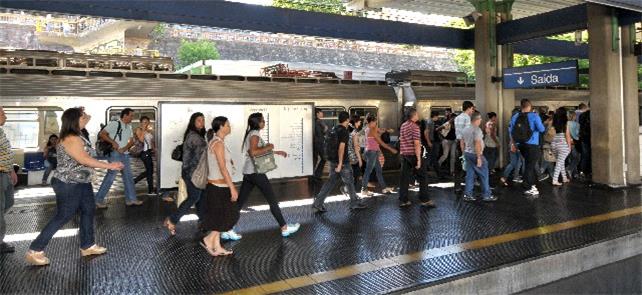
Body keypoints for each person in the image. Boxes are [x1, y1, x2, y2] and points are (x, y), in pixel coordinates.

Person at [25, 107, 124, 266]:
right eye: (83, 116)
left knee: (88, 210)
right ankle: (35, 250)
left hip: (81, 182)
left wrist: (81, 112)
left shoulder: (78, 134)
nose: (86, 117)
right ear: (76, 120)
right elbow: (84, 160)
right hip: (68, 183)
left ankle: (88, 245)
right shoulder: (71, 138)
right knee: (64, 215)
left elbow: (89, 117)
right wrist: (110, 166)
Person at [228, 112, 300, 239]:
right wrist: (269, 147)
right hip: (256, 173)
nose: (264, 123)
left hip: (249, 172)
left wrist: (276, 151)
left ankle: (227, 228)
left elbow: (257, 152)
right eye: (262, 121)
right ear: (257, 123)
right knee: (272, 200)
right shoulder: (254, 134)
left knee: (240, 203)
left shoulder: (251, 133)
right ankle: (284, 228)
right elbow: (254, 153)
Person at [199, 116, 239, 257]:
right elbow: (223, 168)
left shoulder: (217, 141)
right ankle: (208, 239)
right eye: (227, 124)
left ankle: (216, 246)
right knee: (231, 215)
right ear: (221, 127)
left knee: (220, 217)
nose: (229, 126)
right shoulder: (218, 143)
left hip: (217, 186)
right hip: (218, 187)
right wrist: (232, 188)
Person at [313, 111, 367, 212]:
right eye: (348, 119)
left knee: (330, 182)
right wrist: (341, 163)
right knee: (350, 182)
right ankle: (354, 203)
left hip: (333, 161)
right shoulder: (344, 132)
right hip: (342, 163)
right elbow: (341, 148)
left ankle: (317, 204)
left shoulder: (335, 129)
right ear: (347, 119)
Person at [164, 112, 207, 235]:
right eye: (199, 120)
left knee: (201, 197)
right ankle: (172, 219)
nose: (202, 123)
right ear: (193, 122)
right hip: (192, 172)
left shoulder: (197, 135)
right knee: (194, 197)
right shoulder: (194, 136)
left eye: (203, 120)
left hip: (196, 172)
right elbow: (202, 155)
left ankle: (203, 221)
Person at [94, 108, 141, 208]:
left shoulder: (129, 126)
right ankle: (98, 200)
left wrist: (124, 148)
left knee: (128, 177)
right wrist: (113, 142)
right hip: (114, 153)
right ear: (125, 116)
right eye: (131, 115)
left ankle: (131, 199)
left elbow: (132, 141)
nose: (132, 118)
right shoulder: (115, 123)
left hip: (125, 153)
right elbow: (102, 134)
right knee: (111, 176)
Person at [398, 108, 434, 208]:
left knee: (404, 178)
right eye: (417, 114)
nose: (418, 115)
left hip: (405, 155)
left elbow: (401, 140)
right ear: (413, 116)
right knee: (423, 177)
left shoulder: (403, 125)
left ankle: (403, 200)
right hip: (413, 155)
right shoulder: (415, 127)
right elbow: (417, 144)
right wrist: (418, 159)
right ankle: (424, 199)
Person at [509, 99, 546, 196]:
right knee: (530, 166)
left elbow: (512, 132)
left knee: (529, 164)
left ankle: (530, 185)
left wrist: (513, 144)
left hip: (520, 144)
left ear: (521, 106)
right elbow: (541, 129)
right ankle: (530, 187)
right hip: (532, 144)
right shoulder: (534, 116)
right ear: (530, 106)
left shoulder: (515, 116)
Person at [462, 112, 496, 202]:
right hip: (476, 154)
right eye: (480, 119)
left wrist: (464, 152)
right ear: (477, 119)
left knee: (470, 175)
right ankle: (487, 195)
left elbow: (462, 142)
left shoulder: (465, 129)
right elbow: (477, 143)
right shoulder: (477, 130)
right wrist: (479, 157)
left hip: (467, 153)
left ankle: (468, 194)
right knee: (484, 174)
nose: (481, 120)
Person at [361, 114, 397, 196]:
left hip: (373, 152)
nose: (376, 124)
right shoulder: (371, 130)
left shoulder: (369, 128)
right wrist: (391, 149)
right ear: (371, 122)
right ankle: (363, 189)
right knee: (368, 171)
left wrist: (387, 131)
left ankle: (384, 188)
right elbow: (380, 142)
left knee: (378, 171)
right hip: (371, 152)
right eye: (375, 122)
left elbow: (380, 130)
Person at [0, 107, 17, 254]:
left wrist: (11, 170)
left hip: (5, 173)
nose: (5, 115)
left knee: (9, 202)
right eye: (2, 113)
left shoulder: (1, 131)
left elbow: (5, 153)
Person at [454, 101, 475, 193]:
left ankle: (457, 186)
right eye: (472, 109)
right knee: (469, 165)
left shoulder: (457, 118)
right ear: (469, 108)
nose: (472, 110)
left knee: (458, 166)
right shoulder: (467, 118)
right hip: (465, 144)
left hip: (457, 143)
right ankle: (469, 187)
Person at [133, 116, 156, 195]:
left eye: (147, 122)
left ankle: (134, 182)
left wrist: (154, 150)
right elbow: (141, 140)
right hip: (144, 152)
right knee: (149, 171)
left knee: (150, 171)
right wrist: (143, 129)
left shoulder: (149, 131)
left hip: (149, 152)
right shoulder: (139, 130)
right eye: (144, 122)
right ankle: (150, 190)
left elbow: (151, 143)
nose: (145, 124)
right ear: (140, 123)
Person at [551, 108, 572, 185]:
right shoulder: (566, 122)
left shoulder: (553, 122)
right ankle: (555, 180)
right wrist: (569, 146)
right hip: (562, 143)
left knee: (561, 161)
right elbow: (567, 135)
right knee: (559, 163)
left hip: (553, 143)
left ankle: (564, 178)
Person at [424, 111, 441, 178]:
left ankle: (434, 171)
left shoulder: (430, 122)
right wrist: (428, 142)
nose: (438, 118)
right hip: (431, 141)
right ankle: (435, 172)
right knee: (432, 157)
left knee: (432, 157)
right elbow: (426, 132)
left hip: (432, 141)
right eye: (437, 117)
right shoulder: (430, 122)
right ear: (435, 116)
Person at [313, 108, 327, 179]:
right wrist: (325, 129)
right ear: (317, 114)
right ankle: (316, 175)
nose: (322, 114)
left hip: (316, 143)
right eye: (321, 112)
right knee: (323, 158)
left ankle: (313, 175)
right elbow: (319, 133)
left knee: (315, 159)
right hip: (318, 143)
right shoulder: (318, 122)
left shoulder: (316, 121)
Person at [567, 112, 581, 179]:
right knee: (577, 158)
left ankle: (574, 173)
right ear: (574, 117)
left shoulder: (566, 123)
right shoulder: (577, 124)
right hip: (574, 143)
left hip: (567, 142)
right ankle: (569, 169)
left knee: (571, 158)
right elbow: (577, 135)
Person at [578, 109, 591, 179]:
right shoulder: (592, 114)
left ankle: (582, 171)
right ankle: (589, 171)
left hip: (583, 137)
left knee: (584, 155)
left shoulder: (582, 115)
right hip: (590, 137)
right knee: (590, 155)